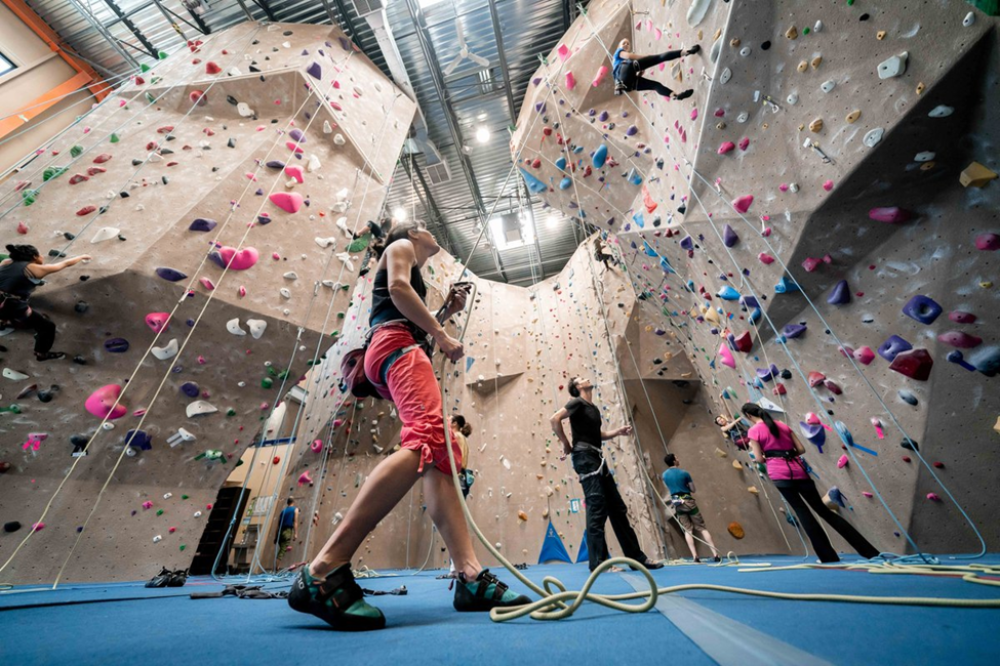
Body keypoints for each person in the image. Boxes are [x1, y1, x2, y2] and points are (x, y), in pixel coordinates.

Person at [289, 221, 528, 631]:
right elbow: (399, 289)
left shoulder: (408, 262)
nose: (434, 236)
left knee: (439, 452)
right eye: (428, 230)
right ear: (414, 232)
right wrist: (442, 334)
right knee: (425, 442)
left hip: (396, 344)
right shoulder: (400, 246)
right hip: (396, 344)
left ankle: (469, 574)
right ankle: (324, 569)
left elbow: (402, 308)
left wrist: (445, 312)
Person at [550, 376, 663, 573]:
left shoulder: (592, 408)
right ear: (578, 386)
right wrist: (566, 444)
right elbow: (554, 419)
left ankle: (636, 558)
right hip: (585, 458)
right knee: (597, 508)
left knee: (617, 508)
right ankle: (599, 563)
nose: (586, 378)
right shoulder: (577, 402)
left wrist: (617, 432)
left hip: (597, 458)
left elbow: (597, 434)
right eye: (582, 378)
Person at [741, 403, 880, 563]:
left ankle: (828, 557)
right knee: (824, 511)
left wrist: (771, 455)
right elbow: (801, 449)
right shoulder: (782, 425)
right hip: (799, 471)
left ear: (749, 416)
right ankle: (869, 552)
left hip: (780, 474)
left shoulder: (754, 431)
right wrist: (786, 453)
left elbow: (759, 458)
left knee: (803, 513)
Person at [0, 244, 90, 361]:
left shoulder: (6, 262)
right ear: (34, 256)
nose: (42, 256)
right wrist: (82, 256)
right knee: (47, 327)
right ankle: (41, 354)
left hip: (3, 301)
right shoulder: (34, 269)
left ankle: (3, 322)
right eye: (39, 254)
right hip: (11, 305)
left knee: (6, 312)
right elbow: (65, 264)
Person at [661, 453, 720, 563]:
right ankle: (715, 554)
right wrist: (686, 487)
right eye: (676, 458)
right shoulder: (684, 473)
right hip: (688, 501)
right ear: (674, 461)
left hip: (677, 503)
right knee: (702, 528)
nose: (678, 459)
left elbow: (669, 488)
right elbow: (693, 489)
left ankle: (695, 556)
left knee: (687, 530)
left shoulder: (664, 475)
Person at [612, 38, 700, 99]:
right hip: (624, 70)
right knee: (659, 57)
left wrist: (639, 74)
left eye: (628, 43)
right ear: (619, 46)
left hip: (626, 85)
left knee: (655, 86)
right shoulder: (618, 52)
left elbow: (628, 76)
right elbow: (629, 56)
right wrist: (648, 57)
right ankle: (687, 51)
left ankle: (676, 96)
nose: (626, 44)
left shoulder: (618, 63)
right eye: (624, 43)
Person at [447, 414, 475, 578]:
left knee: (452, 522)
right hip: (461, 479)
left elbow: (455, 461)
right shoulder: (461, 437)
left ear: (455, 423)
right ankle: (456, 564)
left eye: (450, 419)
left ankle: (456, 565)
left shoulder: (456, 436)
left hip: (456, 478)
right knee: (454, 521)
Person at [274, 498, 299, 568]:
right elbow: (295, 522)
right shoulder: (295, 509)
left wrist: (276, 537)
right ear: (293, 502)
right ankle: (276, 568)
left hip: (280, 532)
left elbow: (278, 525)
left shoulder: (283, 511)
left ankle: (286, 547)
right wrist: (295, 533)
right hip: (287, 531)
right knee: (281, 551)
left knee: (282, 547)